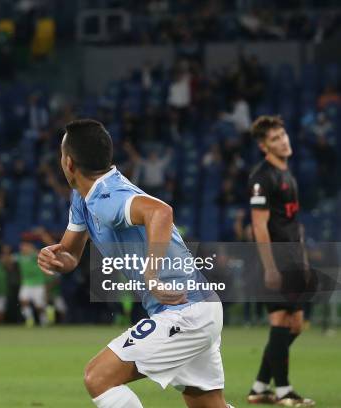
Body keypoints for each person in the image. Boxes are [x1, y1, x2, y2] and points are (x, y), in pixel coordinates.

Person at [37, 119, 232, 408]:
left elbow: (161, 212)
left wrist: (151, 275)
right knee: (207, 405)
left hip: (185, 311)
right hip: (191, 308)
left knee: (98, 377)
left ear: (68, 163)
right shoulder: (83, 197)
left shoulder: (108, 197)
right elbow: (71, 253)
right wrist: (57, 259)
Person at [247, 115, 315, 406]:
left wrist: (303, 260)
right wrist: (271, 267)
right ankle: (285, 392)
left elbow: (293, 223)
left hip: (293, 258)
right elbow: (259, 226)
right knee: (280, 321)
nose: (283, 140)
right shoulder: (261, 178)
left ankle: (260, 387)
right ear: (265, 147)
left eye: (283, 134)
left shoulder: (288, 175)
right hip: (274, 260)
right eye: (275, 138)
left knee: (296, 325)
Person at [17, 241, 48, 327]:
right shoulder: (19, 256)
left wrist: (33, 250)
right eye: (22, 246)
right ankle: (29, 319)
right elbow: (9, 260)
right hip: (26, 283)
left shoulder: (35, 255)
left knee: (39, 306)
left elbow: (42, 255)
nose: (23, 248)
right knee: (23, 301)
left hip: (38, 283)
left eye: (25, 246)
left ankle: (43, 320)